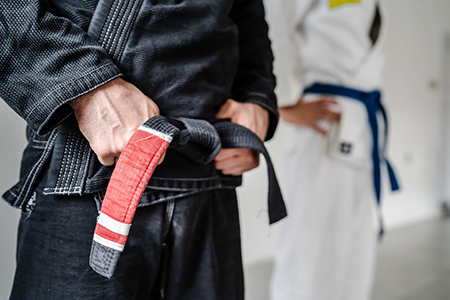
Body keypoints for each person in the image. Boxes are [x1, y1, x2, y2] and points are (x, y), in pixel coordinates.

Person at [0, 1, 285, 299]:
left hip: (210, 169)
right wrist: (85, 85)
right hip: (93, 172)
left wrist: (255, 95)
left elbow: (247, 11)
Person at [264, 0, 398, 299]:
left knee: (355, 242)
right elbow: (274, 23)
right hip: (322, 120)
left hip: (361, 120)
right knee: (309, 242)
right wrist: (284, 102)